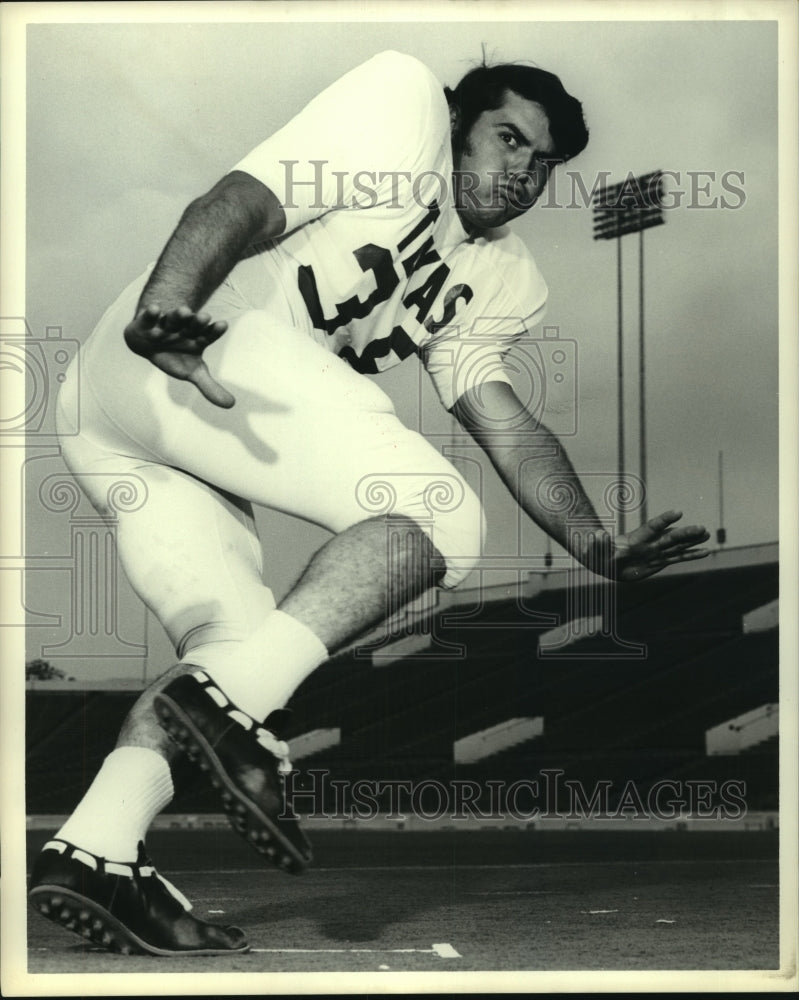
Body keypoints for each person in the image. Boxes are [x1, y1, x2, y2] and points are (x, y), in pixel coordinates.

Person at [28, 50, 710, 956]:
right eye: (508, 139)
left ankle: (96, 852)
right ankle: (224, 718)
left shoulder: (504, 276)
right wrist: (167, 302)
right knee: (440, 515)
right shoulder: (402, 105)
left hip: (121, 423)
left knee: (235, 654)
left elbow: (502, 421)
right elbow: (244, 199)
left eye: (543, 164)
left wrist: (589, 539)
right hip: (186, 341)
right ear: (458, 121)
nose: (523, 172)